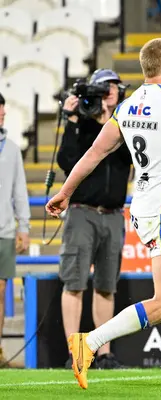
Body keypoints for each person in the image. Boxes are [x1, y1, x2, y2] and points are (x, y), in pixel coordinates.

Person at [46, 38, 161, 390]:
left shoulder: (127, 108)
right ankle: (90, 343)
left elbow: (94, 153)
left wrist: (65, 192)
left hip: (151, 205)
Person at [57, 69, 131, 369]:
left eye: (115, 86)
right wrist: (73, 122)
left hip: (113, 214)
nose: (111, 90)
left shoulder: (128, 124)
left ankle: (103, 353)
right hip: (82, 213)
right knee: (74, 282)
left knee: (105, 286)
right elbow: (65, 162)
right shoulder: (83, 124)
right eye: (105, 87)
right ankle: (76, 352)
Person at [0, 92, 30, 367]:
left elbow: (19, 190)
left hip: (4, 230)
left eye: (2, 112)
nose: (2, 116)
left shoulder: (10, 148)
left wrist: (24, 226)